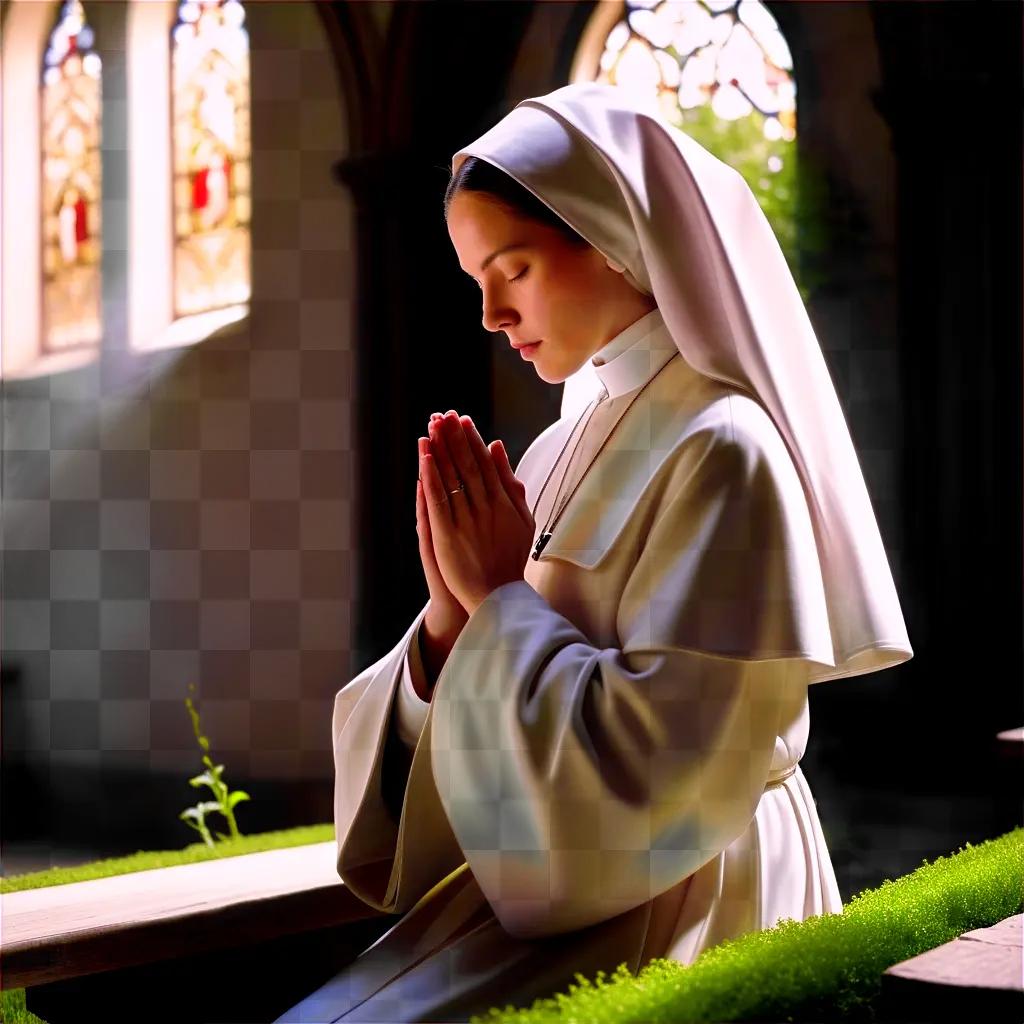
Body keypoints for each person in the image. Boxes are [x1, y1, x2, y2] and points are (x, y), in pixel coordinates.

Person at [273, 81, 912, 1023]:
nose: (490, 314)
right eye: (476, 282)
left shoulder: (726, 446)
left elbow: (668, 772)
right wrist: (449, 627)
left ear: (612, 235)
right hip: (552, 879)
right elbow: (500, 673)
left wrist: (494, 601)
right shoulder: (553, 447)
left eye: (514, 269)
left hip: (686, 888)